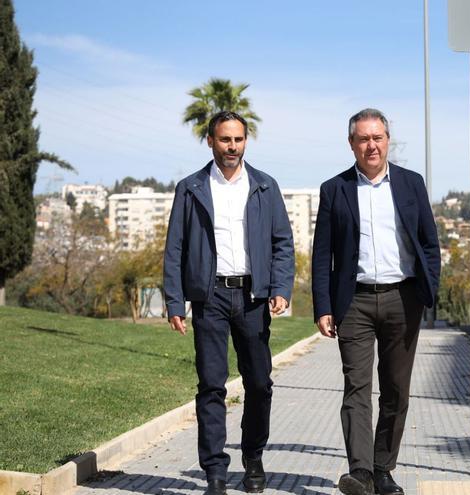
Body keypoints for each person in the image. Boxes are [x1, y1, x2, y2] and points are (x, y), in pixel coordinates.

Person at [163, 111, 294, 495]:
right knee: (211, 385)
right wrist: (174, 300)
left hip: (253, 297)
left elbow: (282, 244)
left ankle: (252, 456)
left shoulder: (265, 187)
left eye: (237, 140)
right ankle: (215, 472)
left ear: (246, 141)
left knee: (259, 383)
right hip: (210, 297)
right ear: (210, 141)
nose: (231, 147)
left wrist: (280, 287)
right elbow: (175, 248)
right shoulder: (190, 188)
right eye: (224, 140)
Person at [311, 108, 440, 495]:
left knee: (397, 388)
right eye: (363, 138)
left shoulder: (411, 184)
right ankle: (362, 472)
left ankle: (384, 469)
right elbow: (323, 254)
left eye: (378, 137)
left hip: (404, 298)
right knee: (357, 387)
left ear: (388, 140)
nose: (372, 145)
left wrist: (428, 289)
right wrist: (323, 306)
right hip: (355, 302)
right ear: (351, 144)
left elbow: (429, 243)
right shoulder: (334, 189)